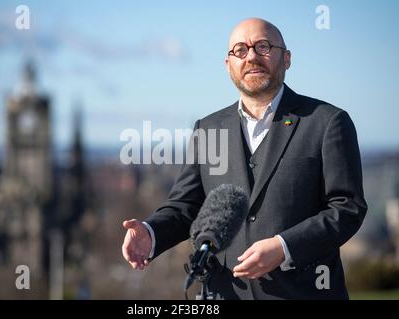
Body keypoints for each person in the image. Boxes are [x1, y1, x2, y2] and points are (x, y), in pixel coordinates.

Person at [121, 18, 367, 299]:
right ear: (228, 66)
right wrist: (151, 233)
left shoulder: (328, 122)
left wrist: (284, 247)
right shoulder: (208, 128)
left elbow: (348, 209)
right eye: (240, 50)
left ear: (286, 58)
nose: (251, 56)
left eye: (263, 47)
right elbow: (186, 207)